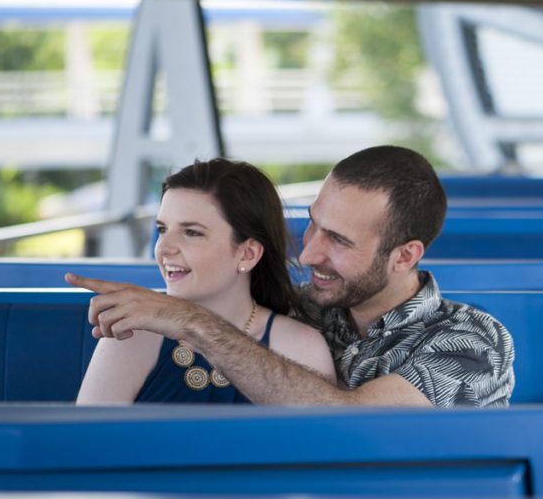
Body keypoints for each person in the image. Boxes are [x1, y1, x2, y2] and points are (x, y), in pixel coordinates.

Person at [68, 145, 514, 407]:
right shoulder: (301, 310)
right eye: (313, 224)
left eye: (338, 241)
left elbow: (351, 424)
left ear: (404, 256)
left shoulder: (472, 341)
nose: (310, 250)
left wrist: (188, 320)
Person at [76, 158, 336, 404]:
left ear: (248, 253)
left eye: (191, 232)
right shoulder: (129, 336)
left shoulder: (301, 346)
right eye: (162, 229)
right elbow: (83, 446)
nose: (163, 248)